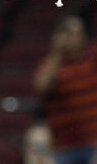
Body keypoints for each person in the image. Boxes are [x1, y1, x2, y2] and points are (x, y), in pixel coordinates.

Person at [33, 15, 97, 164]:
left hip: (94, 144)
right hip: (65, 147)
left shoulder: (93, 58)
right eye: (69, 34)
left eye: (78, 33)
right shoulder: (51, 65)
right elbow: (41, 86)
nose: (74, 38)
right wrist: (57, 53)